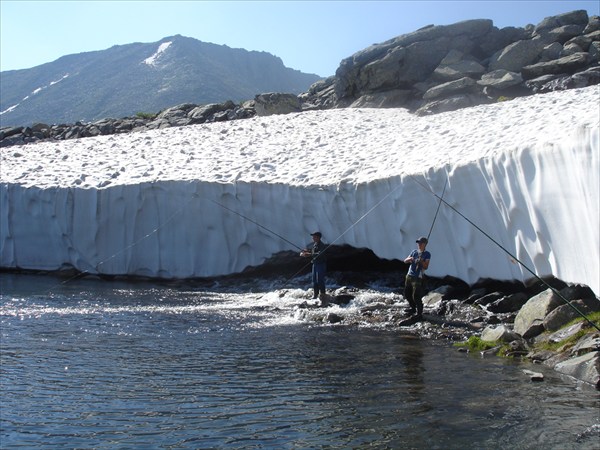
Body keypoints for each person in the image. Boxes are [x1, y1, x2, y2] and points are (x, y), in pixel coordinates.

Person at [403, 236, 431, 320]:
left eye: (420, 243)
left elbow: (426, 267)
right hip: (409, 275)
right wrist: (410, 259)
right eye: (418, 243)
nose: (418, 244)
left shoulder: (427, 254)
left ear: (424, 244)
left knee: (416, 295)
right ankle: (412, 308)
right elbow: (405, 260)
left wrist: (421, 261)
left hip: (417, 277)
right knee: (407, 293)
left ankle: (419, 313)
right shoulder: (414, 252)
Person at [300, 231, 327, 300]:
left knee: (320, 280)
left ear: (318, 237)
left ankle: (323, 295)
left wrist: (308, 254)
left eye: (314, 237)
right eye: (313, 237)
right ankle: (315, 295)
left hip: (320, 265)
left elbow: (319, 254)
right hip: (315, 264)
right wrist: (306, 251)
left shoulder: (322, 245)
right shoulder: (315, 244)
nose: (313, 238)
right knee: (314, 280)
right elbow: (313, 252)